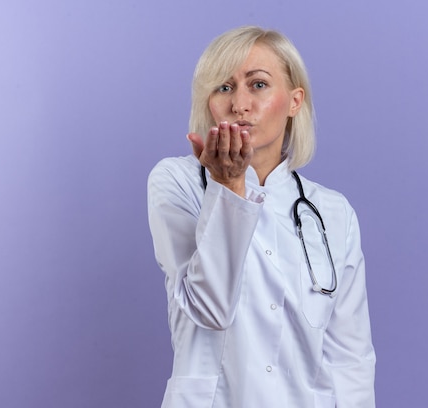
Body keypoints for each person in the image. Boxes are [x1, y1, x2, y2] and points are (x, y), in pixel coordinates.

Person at [147, 26, 376, 407]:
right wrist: (228, 186)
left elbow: (351, 359)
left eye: (257, 85)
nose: (239, 104)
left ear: (294, 101)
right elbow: (210, 308)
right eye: (223, 87)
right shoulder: (177, 182)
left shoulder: (333, 213)